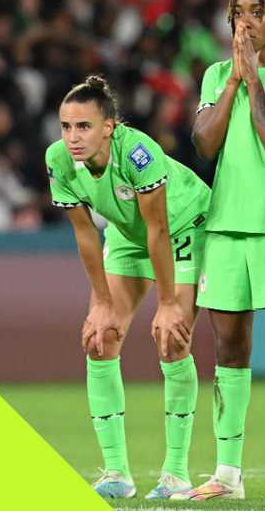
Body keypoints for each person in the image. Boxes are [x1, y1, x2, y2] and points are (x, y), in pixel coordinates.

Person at [178, 0, 265, 500]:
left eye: (258, 10)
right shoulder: (216, 75)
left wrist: (255, 79)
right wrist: (235, 80)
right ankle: (227, 474)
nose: (247, 20)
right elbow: (205, 145)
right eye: (239, 11)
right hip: (225, 228)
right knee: (228, 353)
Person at [47, 76, 210, 500]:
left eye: (83, 126)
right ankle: (116, 472)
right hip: (126, 235)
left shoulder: (138, 153)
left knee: (172, 340)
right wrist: (101, 303)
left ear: (109, 127)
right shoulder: (59, 161)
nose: (72, 137)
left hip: (183, 226)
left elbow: (158, 229)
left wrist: (169, 302)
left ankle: (175, 473)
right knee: (100, 339)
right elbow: (85, 234)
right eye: (66, 127)